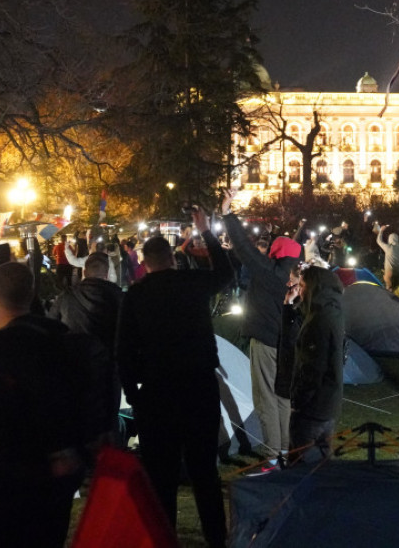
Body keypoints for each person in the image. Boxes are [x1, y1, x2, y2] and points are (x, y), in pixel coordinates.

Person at [116, 207, 231, 548]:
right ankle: (215, 538)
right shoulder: (191, 283)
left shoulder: (136, 295)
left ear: (145, 261)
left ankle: (165, 539)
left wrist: (133, 395)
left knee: (161, 478)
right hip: (198, 386)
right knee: (204, 473)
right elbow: (224, 273)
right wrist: (206, 232)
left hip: (157, 392)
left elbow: (122, 350)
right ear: (172, 258)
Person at [0, 262, 110, 548]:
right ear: (32, 293)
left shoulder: (4, 346)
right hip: (64, 465)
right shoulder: (57, 335)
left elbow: (36, 395)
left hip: (26, 464)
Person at [221, 189, 300, 464]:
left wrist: (227, 212)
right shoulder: (291, 276)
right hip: (286, 345)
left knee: (265, 397)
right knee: (282, 398)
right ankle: (285, 450)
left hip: (266, 342)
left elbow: (243, 247)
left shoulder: (269, 273)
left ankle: (272, 453)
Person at [49, 251, 124, 426]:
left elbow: (50, 326)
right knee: (107, 422)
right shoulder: (119, 298)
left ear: (84, 273)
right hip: (109, 371)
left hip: (73, 368)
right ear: (106, 275)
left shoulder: (67, 296)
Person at [286, 263, 344, 463]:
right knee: (322, 465)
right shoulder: (334, 310)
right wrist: (289, 306)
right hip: (329, 404)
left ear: (313, 287)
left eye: (302, 286)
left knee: (301, 465)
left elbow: (312, 368)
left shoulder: (318, 322)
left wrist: (298, 401)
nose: (298, 290)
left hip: (311, 409)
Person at [376, 225, 399, 291]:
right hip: (398, 273)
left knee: (389, 290)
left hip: (389, 273)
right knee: (397, 290)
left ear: (389, 239)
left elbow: (379, 241)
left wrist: (381, 231)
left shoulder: (388, 247)